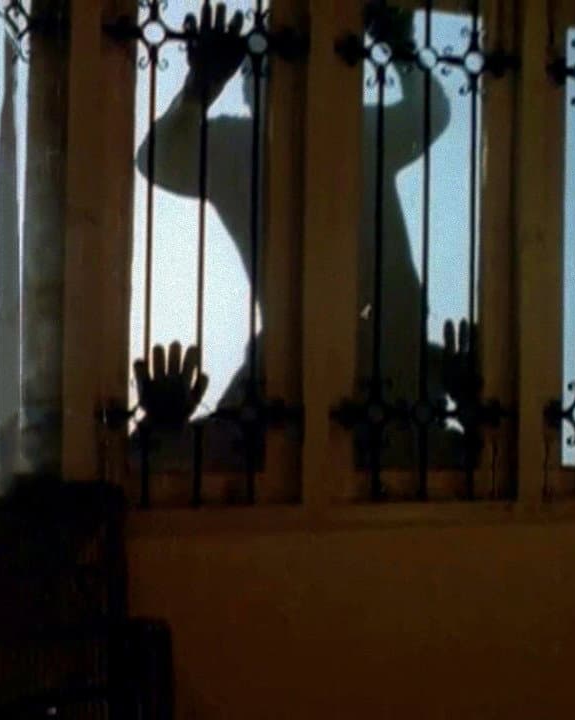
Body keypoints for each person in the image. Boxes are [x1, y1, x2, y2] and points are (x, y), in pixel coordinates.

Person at [134, 2, 472, 469]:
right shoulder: (245, 146)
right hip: (324, 370)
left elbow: (429, 115)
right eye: (268, 66)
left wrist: (202, 86)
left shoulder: (347, 135)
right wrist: (400, 47)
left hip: (377, 365)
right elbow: (157, 160)